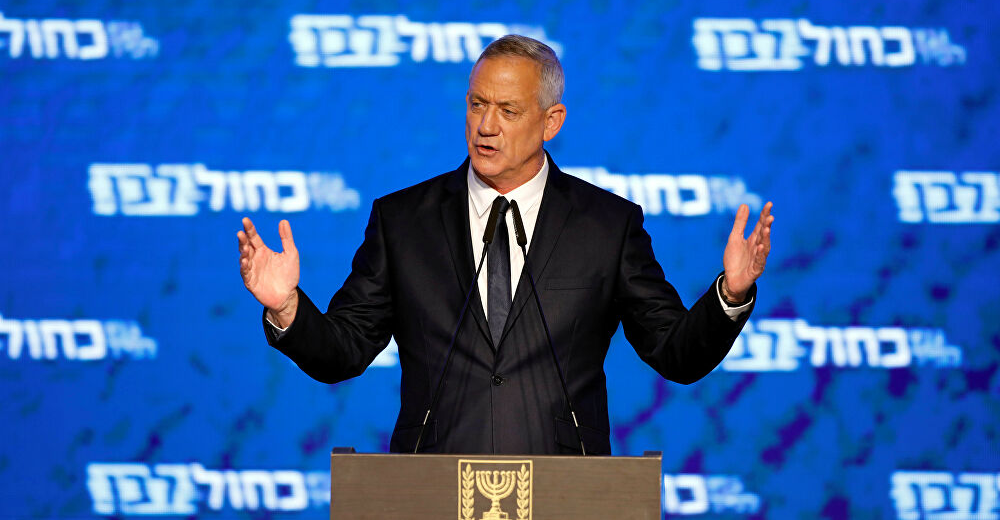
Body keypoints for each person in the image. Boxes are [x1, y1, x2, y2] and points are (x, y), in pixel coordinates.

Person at [237, 35, 774, 455]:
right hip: (432, 486)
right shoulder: (403, 221)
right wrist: (287, 308)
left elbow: (676, 354)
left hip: (565, 489)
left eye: (508, 111)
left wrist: (731, 294)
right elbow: (343, 351)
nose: (486, 126)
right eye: (477, 105)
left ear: (551, 122)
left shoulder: (607, 226)